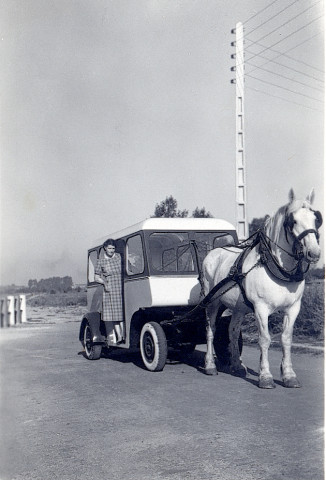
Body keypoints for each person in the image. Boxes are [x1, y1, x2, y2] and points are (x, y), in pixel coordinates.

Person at [94, 238, 124, 344]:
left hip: (122, 287)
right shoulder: (101, 261)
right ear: (105, 248)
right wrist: (104, 283)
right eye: (109, 248)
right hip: (110, 289)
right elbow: (96, 277)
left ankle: (123, 335)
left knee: (122, 313)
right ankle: (120, 336)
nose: (112, 250)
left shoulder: (119, 257)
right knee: (115, 315)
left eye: (113, 248)